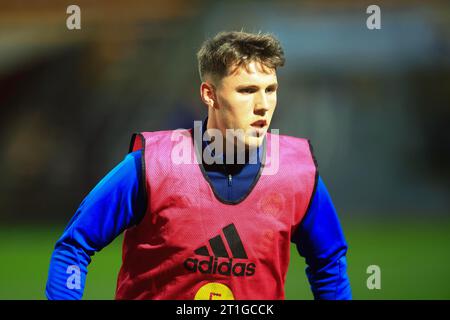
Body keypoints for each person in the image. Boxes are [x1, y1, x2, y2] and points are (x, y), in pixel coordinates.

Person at [45, 30, 352, 300]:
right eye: (247, 90)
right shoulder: (152, 165)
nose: (263, 105)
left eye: (270, 89)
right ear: (210, 94)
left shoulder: (297, 173)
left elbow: (329, 262)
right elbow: (74, 246)